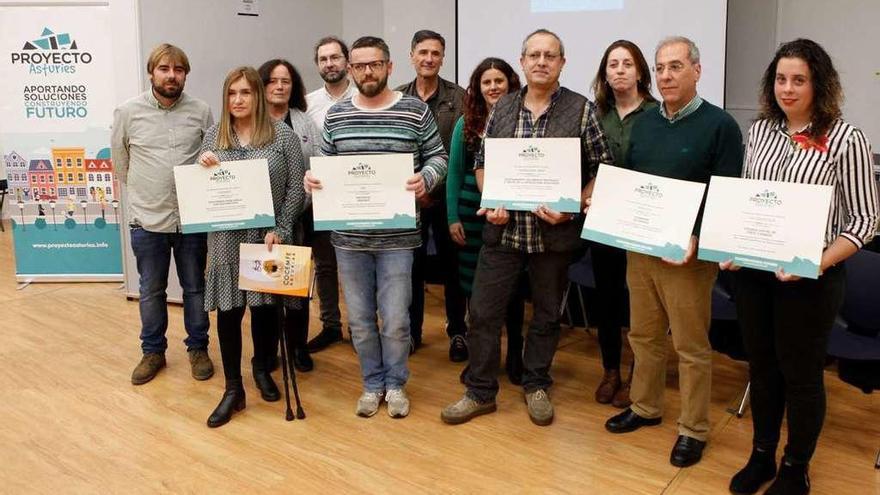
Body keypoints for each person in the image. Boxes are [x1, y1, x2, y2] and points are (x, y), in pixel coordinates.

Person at [724, 39, 878, 495]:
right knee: (762, 368)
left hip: (811, 281)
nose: (787, 89)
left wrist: (816, 261)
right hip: (755, 277)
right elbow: (751, 204)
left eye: (799, 80)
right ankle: (762, 455)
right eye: (780, 79)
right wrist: (732, 244)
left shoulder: (846, 139)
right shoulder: (760, 132)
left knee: (802, 375)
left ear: (819, 84)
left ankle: (796, 466)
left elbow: (866, 220)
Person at [441, 29, 611, 426]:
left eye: (549, 55)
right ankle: (480, 391)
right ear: (522, 62)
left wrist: (574, 208)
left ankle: (536, 383)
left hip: (554, 236)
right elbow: (482, 166)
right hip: (503, 233)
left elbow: (603, 167)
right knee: (482, 313)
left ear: (562, 63)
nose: (541, 61)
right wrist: (492, 199)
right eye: (533, 54)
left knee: (547, 315)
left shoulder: (582, 109)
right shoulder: (502, 109)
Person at [602, 36, 743, 468]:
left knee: (689, 345)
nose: (666, 75)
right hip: (641, 250)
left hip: (687, 257)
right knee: (643, 336)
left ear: (697, 71)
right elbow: (628, 182)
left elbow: (726, 193)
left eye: (676, 67)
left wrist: (698, 236)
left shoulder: (720, 126)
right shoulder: (645, 122)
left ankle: (693, 429)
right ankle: (645, 406)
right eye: (661, 68)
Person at [304, 36, 447, 418]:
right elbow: (325, 165)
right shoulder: (336, 116)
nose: (368, 71)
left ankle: (396, 383)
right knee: (362, 322)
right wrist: (313, 180)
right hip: (349, 240)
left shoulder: (415, 111)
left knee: (397, 320)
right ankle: (372, 384)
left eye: (375, 64)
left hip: (399, 238)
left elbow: (438, 156)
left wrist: (426, 179)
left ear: (389, 67)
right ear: (351, 70)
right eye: (360, 65)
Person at [198, 66, 306, 427]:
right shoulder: (214, 135)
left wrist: (282, 225)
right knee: (228, 313)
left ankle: (262, 368)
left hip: (268, 237)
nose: (238, 100)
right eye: (232, 94)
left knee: (263, 310)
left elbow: (295, 187)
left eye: (245, 93)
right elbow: (202, 187)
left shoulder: (283, 136)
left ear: (258, 96)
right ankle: (233, 389)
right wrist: (204, 166)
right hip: (226, 239)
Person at [112, 43, 214, 386]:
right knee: (151, 290)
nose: (172, 76)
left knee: (195, 288)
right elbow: (121, 165)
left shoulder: (201, 111)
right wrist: (148, 193)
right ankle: (153, 351)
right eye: (165, 69)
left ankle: (198, 348)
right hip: (148, 220)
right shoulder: (128, 112)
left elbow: (209, 156)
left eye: (179, 70)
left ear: (185, 74)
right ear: (151, 72)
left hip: (192, 219)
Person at [446, 57, 525, 384]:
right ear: (478, 88)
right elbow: (453, 173)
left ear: (510, 84)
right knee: (476, 294)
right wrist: (452, 217)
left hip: (512, 217)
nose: (493, 87)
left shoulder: (523, 120)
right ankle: (481, 358)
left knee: (513, 289)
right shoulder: (467, 123)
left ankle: (516, 355)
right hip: (471, 215)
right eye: (486, 82)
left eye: (499, 81)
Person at [588, 40, 657, 408]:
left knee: (641, 304)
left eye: (626, 63)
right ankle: (610, 370)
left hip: (645, 222)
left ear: (640, 71)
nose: (619, 70)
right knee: (608, 299)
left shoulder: (658, 115)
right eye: (612, 64)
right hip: (604, 221)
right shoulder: (595, 114)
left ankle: (637, 376)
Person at [396, 30, 468, 358]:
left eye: (435, 53)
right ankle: (412, 332)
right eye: (422, 52)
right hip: (407, 200)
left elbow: (463, 153)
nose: (428, 58)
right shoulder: (396, 98)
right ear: (412, 55)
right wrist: (416, 191)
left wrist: (435, 189)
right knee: (412, 267)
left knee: (453, 267)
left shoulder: (461, 97)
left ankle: (458, 332)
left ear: (443, 58)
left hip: (446, 199)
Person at [258, 58, 321, 373]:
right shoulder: (251, 121)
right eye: (273, 81)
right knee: (265, 288)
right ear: (263, 85)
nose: (280, 86)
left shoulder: (305, 122)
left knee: (295, 288)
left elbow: (318, 167)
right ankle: (267, 351)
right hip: (259, 222)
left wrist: (299, 203)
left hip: (300, 216)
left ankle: (298, 347)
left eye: (286, 81)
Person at [303, 36, 357, 353]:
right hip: (323, 197)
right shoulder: (309, 104)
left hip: (359, 196)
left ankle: (359, 327)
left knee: (357, 263)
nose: (330, 64)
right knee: (325, 264)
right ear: (318, 65)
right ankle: (331, 326)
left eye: (335, 58)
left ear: (347, 62)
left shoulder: (363, 96)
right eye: (323, 59)